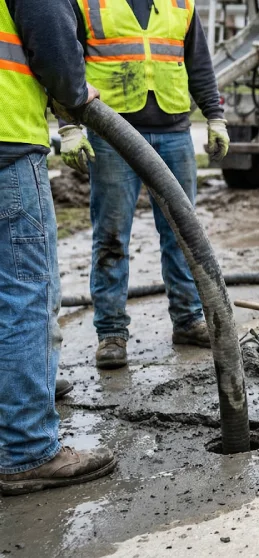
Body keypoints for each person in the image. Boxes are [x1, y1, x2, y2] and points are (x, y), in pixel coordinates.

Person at [60, 0, 230, 369]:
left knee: (183, 234)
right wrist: (69, 124)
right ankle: (111, 335)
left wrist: (215, 116)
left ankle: (187, 320)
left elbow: (198, 63)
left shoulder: (181, 4)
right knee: (111, 236)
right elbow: (65, 64)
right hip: (112, 133)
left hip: (174, 132)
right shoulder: (88, 4)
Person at [0, 0, 116, 496]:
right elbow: (50, 36)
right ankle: (26, 450)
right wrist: (73, 94)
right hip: (6, 146)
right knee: (25, 295)